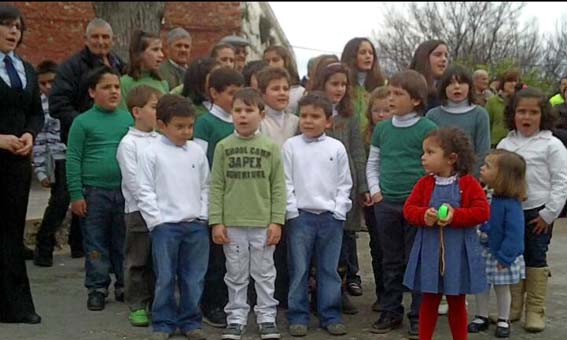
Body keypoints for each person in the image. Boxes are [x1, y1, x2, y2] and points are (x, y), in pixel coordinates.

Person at [209, 88, 286, 340]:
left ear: (261, 115)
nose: (243, 116)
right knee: (235, 273)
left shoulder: (271, 148)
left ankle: (266, 316)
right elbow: (216, 185)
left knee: (264, 273)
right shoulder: (223, 147)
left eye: (249, 110)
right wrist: (216, 221)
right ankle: (236, 317)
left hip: (262, 222)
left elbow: (278, 186)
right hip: (232, 224)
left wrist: (277, 220)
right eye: (238, 110)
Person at [366, 70, 437, 338]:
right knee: (390, 260)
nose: (391, 98)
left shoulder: (427, 128)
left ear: (416, 100)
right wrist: (376, 192)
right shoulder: (383, 129)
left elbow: (434, 165)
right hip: (386, 204)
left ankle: (418, 315)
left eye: (398, 94)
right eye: (389, 92)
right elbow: (374, 163)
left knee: (416, 260)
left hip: (417, 206)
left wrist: (425, 199)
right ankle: (390, 311)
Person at [403, 127, 490, 340]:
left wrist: (456, 215)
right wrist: (424, 215)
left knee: (457, 301)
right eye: (424, 152)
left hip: (457, 254)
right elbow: (408, 209)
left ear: (451, 158)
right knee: (429, 300)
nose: (423, 157)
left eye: (430, 152)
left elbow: (482, 211)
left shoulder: (468, 183)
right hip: (430, 252)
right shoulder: (425, 184)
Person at [136, 94, 209, 340]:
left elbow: (206, 186)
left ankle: (190, 321)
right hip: (166, 226)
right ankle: (164, 322)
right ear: (161, 125)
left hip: (195, 225)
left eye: (189, 126)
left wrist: (203, 215)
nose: (185, 131)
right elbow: (144, 189)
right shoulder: (151, 152)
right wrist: (156, 221)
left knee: (194, 277)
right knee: (165, 277)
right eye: (179, 126)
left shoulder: (197, 151)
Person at [50, 17, 123, 259]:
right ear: (86, 39)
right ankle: (45, 248)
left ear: (112, 40)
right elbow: (57, 104)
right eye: (96, 37)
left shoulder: (118, 64)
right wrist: (87, 122)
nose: (101, 41)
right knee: (66, 197)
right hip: (80, 138)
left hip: (111, 146)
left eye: (105, 37)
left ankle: (80, 249)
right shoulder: (71, 67)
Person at [497, 87, 567, 332]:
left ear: (543, 115)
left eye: (533, 112)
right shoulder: (507, 143)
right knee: (513, 256)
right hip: (510, 211)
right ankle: (514, 306)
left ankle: (535, 310)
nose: (527, 117)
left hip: (538, 213)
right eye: (521, 111)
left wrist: (548, 214)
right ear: (513, 114)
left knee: (536, 257)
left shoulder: (552, 145)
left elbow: (561, 182)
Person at [283, 92, 353, 337]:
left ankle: (330, 315)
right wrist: (291, 211)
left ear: (328, 121)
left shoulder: (336, 148)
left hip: (329, 218)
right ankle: (298, 315)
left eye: (315, 116)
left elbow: (345, 182)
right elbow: (285, 181)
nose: (308, 121)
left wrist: (339, 209)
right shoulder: (291, 146)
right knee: (299, 269)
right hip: (300, 217)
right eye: (304, 116)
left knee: (328, 270)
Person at [66, 65, 133, 311]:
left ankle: (123, 283)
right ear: (92, 92)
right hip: (93, 193)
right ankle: (97, 287)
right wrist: (75, 194)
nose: (114, 91)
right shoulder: (82, 123)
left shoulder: (128, 119)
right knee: (95, 242)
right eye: (106, 87)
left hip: (124, 192)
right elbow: (73, 158)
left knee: (122, 241)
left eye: (117, 87)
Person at [309, 62, 370, 313]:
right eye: (334, 83)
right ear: (322, 83)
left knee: (344, 242)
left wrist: (363, 186)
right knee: (317, 245)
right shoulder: (310, 111)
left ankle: (339, 291)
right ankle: (315, 293)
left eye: (344, 84)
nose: (340, 89)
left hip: (345, 186)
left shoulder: (350, 116)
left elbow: (357, 150)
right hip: (317, 184)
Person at [0, 4, 44, 324]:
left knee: (11, 234)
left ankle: (17, 307)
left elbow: (35, 112)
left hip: (15, 163)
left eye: (17, 26)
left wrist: (30, 134)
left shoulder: (25, 69)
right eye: (6, 25)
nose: (13, 31)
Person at [193, 66, 244, 328]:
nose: (236, 101)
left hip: (239, 197)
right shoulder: (205, 123)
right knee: (216, 257)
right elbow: (200, 162)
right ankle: (210, 302)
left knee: (235, 256)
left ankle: (233, 301)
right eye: (231, 94)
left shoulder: (240, 121)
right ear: (214, 93)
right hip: (216, 196)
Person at [468, 149, 527, 338]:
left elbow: (515, 233)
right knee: (481, 286)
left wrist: (506, 255)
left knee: (502, 288)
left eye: (487, 166)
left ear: (503, 175)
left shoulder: (511, 204)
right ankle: (481, 315)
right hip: (482, 250)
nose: (482, 168)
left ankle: (503, 318)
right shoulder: (485, 193)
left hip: (500, 254)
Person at [116, 85, 162, 327]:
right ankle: (137, 304)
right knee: (138, 259)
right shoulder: (129, 144)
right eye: (154, 107)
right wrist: (150, 207)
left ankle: (158, 302)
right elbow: (134, 182)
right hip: (138, 211)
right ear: (136, 111)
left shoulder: (161, 140)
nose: (159, 112)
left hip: (162, 210)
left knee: (158, 260)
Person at [31, 60, 71, 267]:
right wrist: (39, 170)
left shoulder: (66, 100)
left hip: (73, 155)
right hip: (55, 159)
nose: (48, 87)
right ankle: (43, 245)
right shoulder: (39, 106)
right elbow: (39, 139)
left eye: (52, 82)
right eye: (43, 83)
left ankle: (78, 246)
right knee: (60, 202)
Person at [426, 65, 491, 176]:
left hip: (469, 179)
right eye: (450, 83)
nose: (456, 87)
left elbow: (483, 151)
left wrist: (472, 177)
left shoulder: (480, 114)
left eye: (461, 83)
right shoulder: (432, 115)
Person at [363, 85, 391, 312]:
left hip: (395, 196)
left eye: (386, 110)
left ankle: (396, 290)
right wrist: (367, 189)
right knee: (377, 246)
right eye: (376, 110)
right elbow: (365, 164)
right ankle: (382, 292)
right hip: (373, 198)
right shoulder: (366, 136)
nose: (381, 115)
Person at [340, 37, 386, 137]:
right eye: (363, 53)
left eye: (371, 53)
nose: (368, 56)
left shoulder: (383, 85)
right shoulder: (343, 85)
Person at [119, 30, 168, 110]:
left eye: (161, 50)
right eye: (155, 50)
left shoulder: (162, 83)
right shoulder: (124, 83)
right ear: (139, 53)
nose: (161, 55)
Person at [257, 66, 299, 147]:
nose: (282, 93)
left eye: (285, 89)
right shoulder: (258, 122)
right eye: (276, 89)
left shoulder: (296, 121)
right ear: (263, 93)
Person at [409, 40, 449, 112]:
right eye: (438, 55)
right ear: (424, 58)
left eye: (446, 56)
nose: (444, 59)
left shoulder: (449, 89)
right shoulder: (408, 88)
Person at [263, 45, 305, 115]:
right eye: (267, 61)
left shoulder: (299, 92)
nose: (270, 64)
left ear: (286, 62)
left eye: (275, 60)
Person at [486, 69, 521, 147]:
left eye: (515, 81)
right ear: (503, 84)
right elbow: (487, 124)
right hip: (496, 143)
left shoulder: (522, 102)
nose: (513, 84)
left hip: (517, 142)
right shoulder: (492, 101)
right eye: (509, 81)